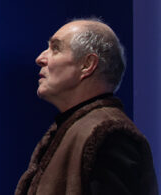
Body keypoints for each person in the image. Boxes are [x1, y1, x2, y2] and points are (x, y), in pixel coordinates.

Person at [16, 18, 158, 194]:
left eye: (56, 48)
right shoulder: (75, 130)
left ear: (87, 65)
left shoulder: (110, 135)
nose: (40, 58)